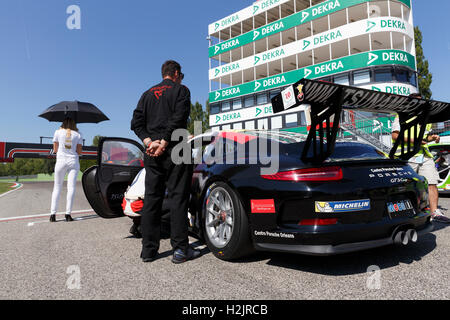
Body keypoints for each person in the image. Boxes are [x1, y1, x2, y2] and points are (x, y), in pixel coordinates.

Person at [131, 60, 201, 263]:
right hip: (178, 148)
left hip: (152, 152)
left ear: (164, 74)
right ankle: (180, 249)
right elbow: (179, 118)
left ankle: (148, 250)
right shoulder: (182, 91)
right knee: (179, 198)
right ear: (177, 73)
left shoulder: (147, 94)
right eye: (181, 75)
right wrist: (164, 142)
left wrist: (149, 141)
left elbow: (135, 122)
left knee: (152, 199)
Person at [391, 93, 450, 223]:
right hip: (406, 156)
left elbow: (424, 138)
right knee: (406, 185)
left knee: (432, 182)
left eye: (421, 102)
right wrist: (415, 141)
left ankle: (435, 213)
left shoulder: (425, 118)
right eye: (416, 102)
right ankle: (405, 214)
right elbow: (395, 135)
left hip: (424, 156)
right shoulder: (402, 115)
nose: (419, 104)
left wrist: (432, 138)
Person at [50, 118, 83, 222]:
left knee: (57, 187)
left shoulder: (57, 132)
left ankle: (52, 215)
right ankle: (68, 214)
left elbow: (55, 150)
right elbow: (79, 151)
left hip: (60, 161)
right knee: (71, 187)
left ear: (63, 123)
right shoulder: (78, 134)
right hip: (73, 161)